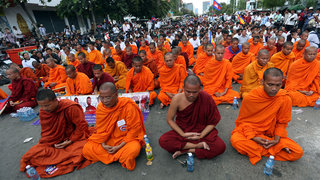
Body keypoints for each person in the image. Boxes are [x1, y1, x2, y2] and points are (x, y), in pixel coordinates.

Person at [231, 68, 304, 165]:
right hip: (252, 132)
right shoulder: (251, 98)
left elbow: (282, 122)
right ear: (262, 82)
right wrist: (253, 138)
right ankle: (273, 150)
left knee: (297, 152)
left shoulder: (284, 98)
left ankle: (261, 149)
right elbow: (243, 122)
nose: (274, 89)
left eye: (278, 85)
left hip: (271, 134)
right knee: (236, 140)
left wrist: (276, 140)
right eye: (270, 84)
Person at [20, 89, 91, 178]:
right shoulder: (44, 111)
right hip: (53, 140)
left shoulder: (70, 107)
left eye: (47, 105)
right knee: (33, 154)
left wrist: (70, 141)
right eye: (41, 106)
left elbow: (81, 127)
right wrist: (51, 142)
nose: (44, 109)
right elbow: (46, 132)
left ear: (55, 100)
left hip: (74, 137)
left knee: (83, 150)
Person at [82, 82, 146, 171]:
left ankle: (109, 156)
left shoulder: (128, 106)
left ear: (116, 95)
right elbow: (100, 129)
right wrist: (103, 144)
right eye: (102, 98)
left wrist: (118, 147)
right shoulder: (101, 107)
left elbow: (134, 130)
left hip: (125, 140)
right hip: (108, 139)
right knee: (87, 149)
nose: (104, 101)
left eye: (108, 97)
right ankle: (117, 157)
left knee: (133, 150)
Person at [159, 75, 226, 159]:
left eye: (195, 92)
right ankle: (198, 146)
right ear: (183, 88)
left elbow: (213, 121)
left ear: (200, 89)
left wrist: (201, 135)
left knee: (220, 147)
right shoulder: (177, 99)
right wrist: (183, 134)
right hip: (184, 131)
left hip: (202, 132)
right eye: (188, 91)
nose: (191, 95)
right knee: (163, 141)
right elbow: (170, 119)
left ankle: (187, 150)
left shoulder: (206, 98)